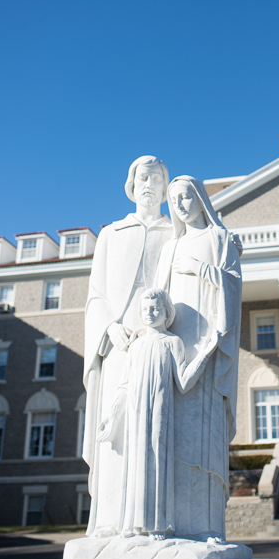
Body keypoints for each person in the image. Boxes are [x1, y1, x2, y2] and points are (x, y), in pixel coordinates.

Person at [84, 156, 171, 538]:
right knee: (115, 430)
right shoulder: (112, 234)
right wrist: (110, 326)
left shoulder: (176, 232)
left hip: (159, 342)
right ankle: (108, 520)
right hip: (118, 343)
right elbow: (96, 294)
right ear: (131, 185)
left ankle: (152, 519)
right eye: (142, 177)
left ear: (166, 187)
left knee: (153, 428)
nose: (149, 183)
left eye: (156, 177)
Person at [158, 175, 242, 541]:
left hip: (208, 346)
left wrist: (204, 271)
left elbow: (234, 287)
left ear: (200, 199)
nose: (179, 204)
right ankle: (173, 522)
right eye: (173, 199)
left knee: (205, 436)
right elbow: (157, 298)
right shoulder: (171, 248)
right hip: (177, 348)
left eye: (186, 196)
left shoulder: (220, 240)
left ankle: (208, 525)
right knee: (174, 436)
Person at [97, 288, 214, 540]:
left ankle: (157, 525)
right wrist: (113, 413)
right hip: (136, 415)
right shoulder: (136, 345)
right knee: (135, 465)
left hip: (161, 413)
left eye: (156, 309)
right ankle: (130, 525)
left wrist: (204, 355)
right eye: (145, 310)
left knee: (157, 464)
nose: (149, 314)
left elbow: (183, 382)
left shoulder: (173, 343)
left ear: (167, 312)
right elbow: (126, 384)